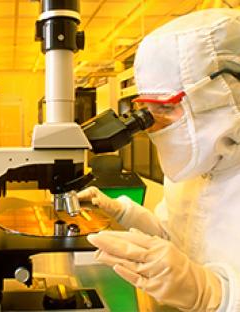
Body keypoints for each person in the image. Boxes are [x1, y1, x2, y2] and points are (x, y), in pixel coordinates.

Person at [79, 9, 240, 311]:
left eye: (164, 107)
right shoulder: (192, 165)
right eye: (146, 110)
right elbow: (174, 237)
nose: (153, 124)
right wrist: (122, 212)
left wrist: (213, 296)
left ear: (221, 94)